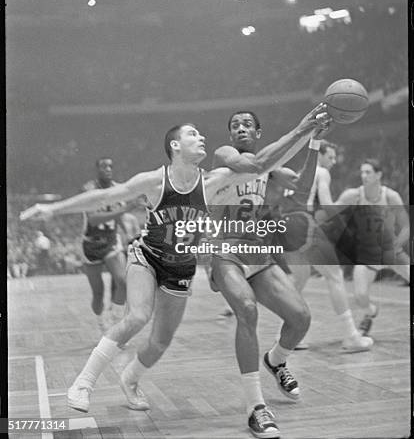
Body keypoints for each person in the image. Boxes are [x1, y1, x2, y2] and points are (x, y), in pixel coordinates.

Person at [20, 109, 324, 436]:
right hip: (148, 255)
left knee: (160, 342)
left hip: (182, 265)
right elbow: (105, 195)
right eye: (193, 134)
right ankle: (85, 382)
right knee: (138, 316)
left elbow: (264, 166)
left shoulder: (213, 182)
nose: (202, 137)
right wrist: (53, 208)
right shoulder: (157, 179)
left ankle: (130, 377)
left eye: (201, 134)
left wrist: (311, 133)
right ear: (175, 146)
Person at [208, 111, 327, 439]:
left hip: (258, 253)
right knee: (246, 310)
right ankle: (256, 407)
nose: (240, 129)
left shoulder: (270, 168)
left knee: (301, 318)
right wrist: (302, 128)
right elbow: (254, 164)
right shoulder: (225, 155)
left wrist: (314, 140)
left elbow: (301, 188)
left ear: (258, 132)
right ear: (230, 134)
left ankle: (276, 360)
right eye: (235, 125)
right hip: (225, 250)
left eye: (247, 125)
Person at [268, 141, 373, 353]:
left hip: (283, 226)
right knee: (334, 276)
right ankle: (352, 336)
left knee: (300, 277)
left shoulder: (299, 173)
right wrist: (347, 201)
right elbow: (326, 204)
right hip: (301, 222)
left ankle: (285, 334)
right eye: (331, 157)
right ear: (321, 155)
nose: (333, 162)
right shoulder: (321, 171)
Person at [335, 158, 410, 336]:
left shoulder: (390, 196)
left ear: (378, 175)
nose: (364, 176)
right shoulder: (354, 195)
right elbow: (330, 212)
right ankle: (370, 312)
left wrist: (395, 246)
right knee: (360, 297)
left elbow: (406, 226)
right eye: (362, 172)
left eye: (368, 172)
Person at [81, 158, 139, 331]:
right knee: (98, 294)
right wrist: (124, 210)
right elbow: (93, 219)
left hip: (112, 243)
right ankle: (100, 321)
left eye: (110, 166)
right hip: (90, 244)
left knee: (123, 282)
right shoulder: (88, 189)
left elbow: (119, 215)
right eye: (104, 166)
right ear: (97, 169)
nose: (108, 169)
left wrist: (128, 233)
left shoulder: (118, 189)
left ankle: (115, 322)